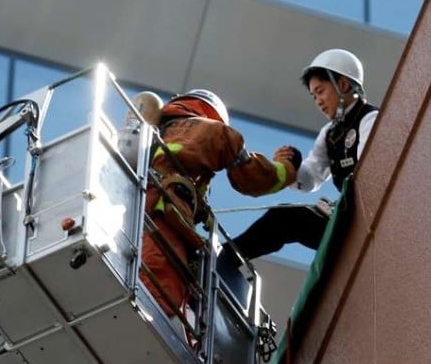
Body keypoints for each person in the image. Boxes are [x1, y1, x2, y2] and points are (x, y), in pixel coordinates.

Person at [139, 89, 299, 318]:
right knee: (156, 297)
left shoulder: (156, 134)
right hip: (163, 220)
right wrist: (287, 167)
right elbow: (253, 178)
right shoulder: (210, 130)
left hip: (135, 214)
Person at [224, 49, 378, 261]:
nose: (318, 101)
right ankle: (227, 256)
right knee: (282, 217)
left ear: (343, 85)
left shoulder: (370, 119)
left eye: (321, 91)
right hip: (348, 223)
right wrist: (293, 166)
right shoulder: (329, 133)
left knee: (287, 219)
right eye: (314, 96)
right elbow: (309, 180)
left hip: (365, 218)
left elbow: (370, 172)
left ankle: (225, 257)